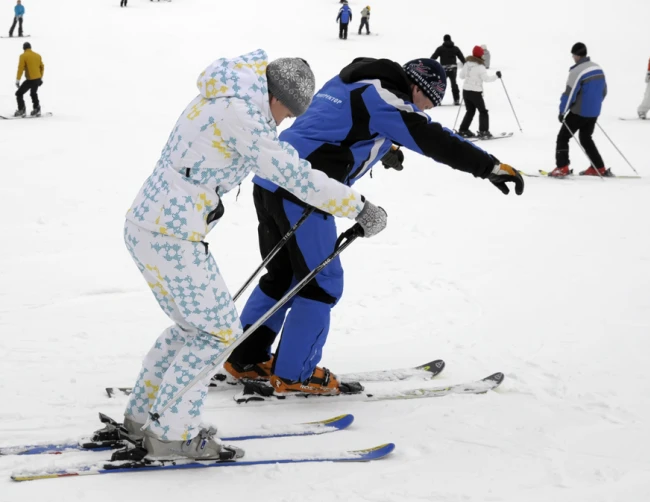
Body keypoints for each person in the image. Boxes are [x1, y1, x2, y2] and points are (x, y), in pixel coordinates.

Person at [118, 50, 386, 461]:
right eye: (287, 114)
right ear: (276, 98)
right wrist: (358, 206)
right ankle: (172, 433)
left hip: (150, 223)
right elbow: (296, 176)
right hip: (171, 232)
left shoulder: (223, 95)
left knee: (195, 329)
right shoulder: (243, 118)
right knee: (218, 333)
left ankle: (144, 418)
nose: (284, 123)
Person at [225, 57, 523, 397]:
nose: (426, 108)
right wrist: (488, 166)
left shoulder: (348, 82)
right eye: (428, 100)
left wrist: (382, 148)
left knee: (284, 277)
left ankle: (244, 357)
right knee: (320, 284)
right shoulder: (387, 99)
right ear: (416, 87)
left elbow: (333, 127)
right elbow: (433, 138)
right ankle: (294, 374)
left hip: (270, 180)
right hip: (304, 193)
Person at [549, 42, 608, 178]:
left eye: (573, 55)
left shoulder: (577, 71)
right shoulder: (597, 67)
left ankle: (562, 167)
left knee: (563, 137)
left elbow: (569, 93)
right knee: (586, 138)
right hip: (594, 111)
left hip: (580, 112)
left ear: (576, 55)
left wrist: (562, 111)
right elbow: (604, 91)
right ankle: (598, 166)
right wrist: (594, 105)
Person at [458, 45, 500, 139]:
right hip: (475, 92)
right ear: (480, 55)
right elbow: (486, 79)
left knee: (470, 111)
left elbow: (461, 76)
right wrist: (496, 76)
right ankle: (483, 131)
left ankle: (463, 130)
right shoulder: (480, 66)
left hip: (466, 91)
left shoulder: (467, 63)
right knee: (483, 111)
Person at [431, 35, 466, 105]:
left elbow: (433, 57)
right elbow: (461, 57)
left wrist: (430, 64)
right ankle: (456, 99)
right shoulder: (455, 48)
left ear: (444, 40)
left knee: (441, 84)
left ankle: (438, 100)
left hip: (443, 69)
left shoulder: (440, 49)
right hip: (453, 68)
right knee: (454, 84)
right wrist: (466, 64)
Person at [14, 42, 44, 117]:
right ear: (30, 47)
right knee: (33, 93)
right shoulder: (37, 55)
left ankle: (21, 110)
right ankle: (37, 109)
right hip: (37, 78)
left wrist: (18, 80)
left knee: (19, 93)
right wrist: (40, 77)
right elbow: (42, 67)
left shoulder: (23, 56)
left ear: (24, 48)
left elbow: (20, 68)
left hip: (31, 79)